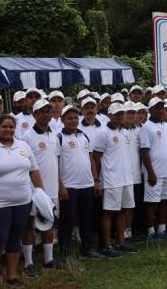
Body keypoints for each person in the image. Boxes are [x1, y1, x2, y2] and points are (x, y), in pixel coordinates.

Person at [0, 114, 46, 287]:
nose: (8, 130)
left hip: (23, 202)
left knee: (15, 238)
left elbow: (34, 171)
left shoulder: (23, 146)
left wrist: (41, 192)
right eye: (4, 127)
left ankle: (12, 276)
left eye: (11, 127)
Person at [92, 104, 136, 258]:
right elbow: (96, 157)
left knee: (123, 211)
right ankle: (106, 246)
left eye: (121, 113)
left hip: (126, 178)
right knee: (108, 213)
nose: (119, 116)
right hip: (111, 179)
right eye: (116, 114)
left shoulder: (124, 131)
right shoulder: (103, 132)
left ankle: (120, 242)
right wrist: (96, 179)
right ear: (109, 115)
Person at [58, 105, 99, 262]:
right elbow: (55, 163)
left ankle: (87, 248)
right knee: (67, 221)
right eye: (69, 118)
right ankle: (66, 253)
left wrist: (95, 180)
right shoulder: (59, 138)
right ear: (62, 120)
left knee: (87, 219)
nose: (73, 121)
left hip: (87, 184)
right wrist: (61, 185)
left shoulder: (84, 136)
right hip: (69, 186)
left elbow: (90, 159)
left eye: (76, 117)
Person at [139, 98, 167, 243]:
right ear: (150, 110)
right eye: (157, 108)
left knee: (166, 201)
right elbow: (144, 151)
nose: (161, 110)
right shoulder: (146, 127)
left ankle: (161, 230)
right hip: (154, 173)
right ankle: (150, 232)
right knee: (151, 203)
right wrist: (151, 172)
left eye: (162, 108)